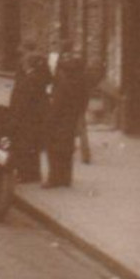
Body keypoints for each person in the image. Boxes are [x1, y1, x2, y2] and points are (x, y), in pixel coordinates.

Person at [44, 54, 89, 188]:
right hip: (72, 119)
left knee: (53, 149)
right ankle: (66, 178)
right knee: (67, 149)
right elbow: (84, 101)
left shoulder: (63, 86)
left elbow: (56, 106)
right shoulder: (81, 83)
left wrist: (49, 121)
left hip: (59, 121)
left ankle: (53, 179)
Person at [9, 50, 50, 184]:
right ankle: (33, 173)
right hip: (37, 117)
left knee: (24, 146)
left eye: (24, 63)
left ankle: (25, 175)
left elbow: (23, 101)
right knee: (33, 147)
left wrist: (15, 116)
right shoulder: (40, 78)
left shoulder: (30, 79)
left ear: (28, 65)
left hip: (27, 118)